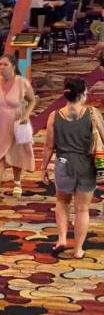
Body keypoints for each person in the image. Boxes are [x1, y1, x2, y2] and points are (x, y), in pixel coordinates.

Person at [42, 77, 102, 259]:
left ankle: (61, 238)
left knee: (61, 202)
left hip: (63, 164)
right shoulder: (92, 113)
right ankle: (78, 250)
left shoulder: (54, 116)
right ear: (83, 94)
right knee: (82, 209)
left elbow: (49, 146)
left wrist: (43, 168)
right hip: (86, 165)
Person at [0, 55, 37, 201]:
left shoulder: (22, 82)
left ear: (13, 66)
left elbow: (32, 101)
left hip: (16, 122)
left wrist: (26, 114)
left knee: (15, 152)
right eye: (0, 64)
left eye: (5, 64)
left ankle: (17, 183)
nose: (2, 67)